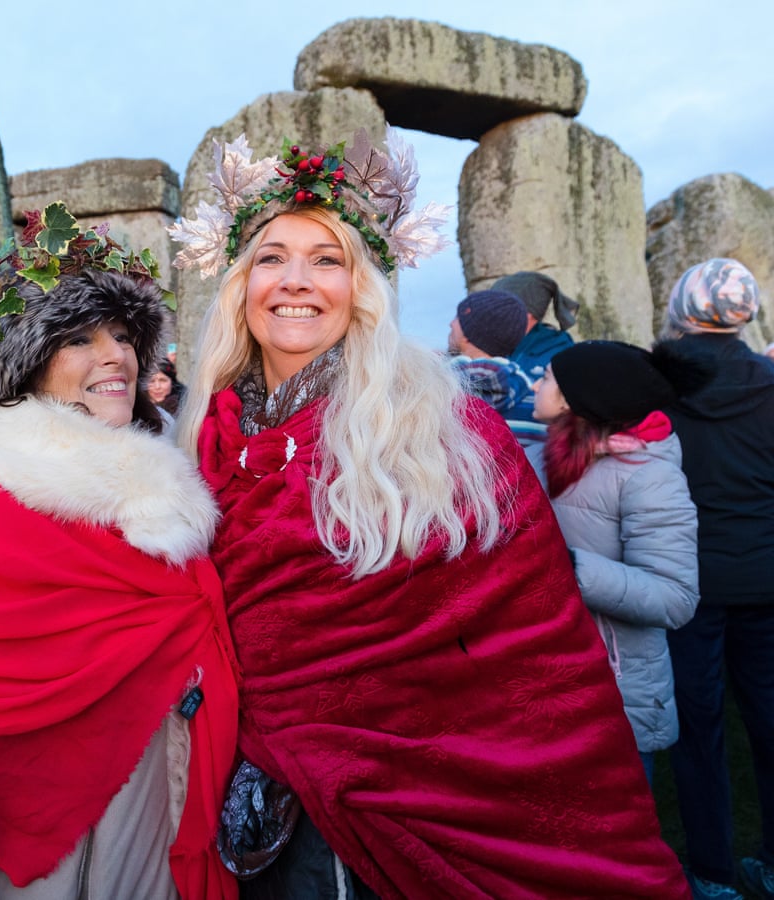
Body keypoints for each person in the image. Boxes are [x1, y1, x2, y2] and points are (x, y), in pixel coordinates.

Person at [169, 130, 688, 898]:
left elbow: (530, 644)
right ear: (241, 282)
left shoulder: (447, 431)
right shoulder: (202, 440)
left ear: (363, 285)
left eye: (328, 259)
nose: (296, 281)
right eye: (272, 257)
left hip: (429, 800)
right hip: (261, 802)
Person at [0, 206, 239, 899]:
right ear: (27, 364)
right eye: (80, 339)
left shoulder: (165, 510)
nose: (115, 356)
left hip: (157, 861)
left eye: (124, 335)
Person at [526, 340, 708, 786]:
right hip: (540, 681)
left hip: (614, 690)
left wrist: (568, 567)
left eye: (548, 376)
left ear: (575, 398)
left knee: (620, 842)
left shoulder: (649, 476)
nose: (536, 383)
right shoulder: (536, 458)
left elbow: (675, 597)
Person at [658, 258, 774, 900]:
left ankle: (711, 868)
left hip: (688, 576)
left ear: (684, 305)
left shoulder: (660, 383)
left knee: (698, 725)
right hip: (765, 571)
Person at [446, 289, 540, 443]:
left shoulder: (433, 395)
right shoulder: (539, 407)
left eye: (458, 318)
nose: (451, 323)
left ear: (469, 335)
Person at [493, 270, 579, 383]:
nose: (492, 315)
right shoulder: (493, 344)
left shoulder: (559, 352)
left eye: (500, 308)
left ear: (526, 314)